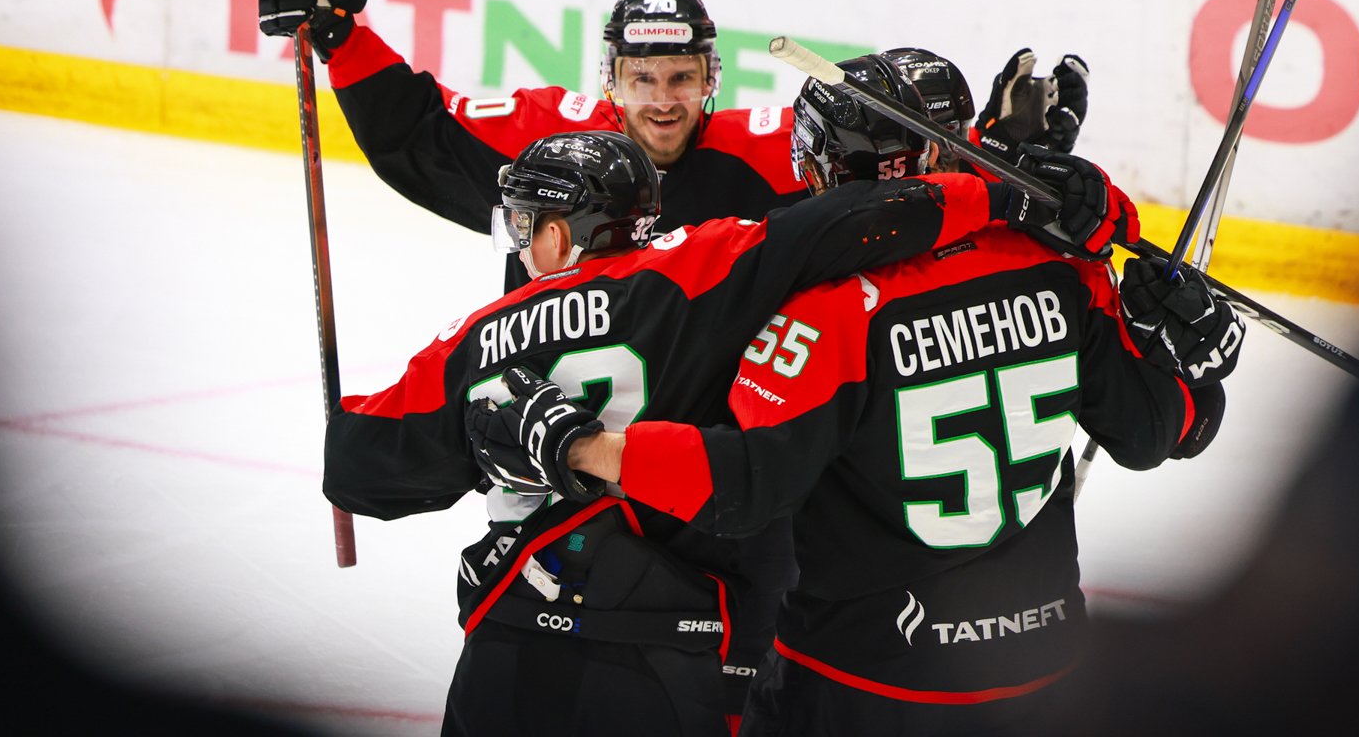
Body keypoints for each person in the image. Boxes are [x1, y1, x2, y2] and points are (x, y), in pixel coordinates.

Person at [474, 52, 1243, 735]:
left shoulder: (825, 313)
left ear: (826, 170)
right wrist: (1193, 358)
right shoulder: (1061, 268)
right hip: (1042, 670)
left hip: (865, 680)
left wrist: (582, 445)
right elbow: (1160, 430)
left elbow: (742, 490)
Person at [322, 115, 1129, 736]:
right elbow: (854, 222)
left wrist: (487, 444)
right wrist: (1006, 194)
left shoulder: (473, 341)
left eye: (524, 225)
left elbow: (360, 473)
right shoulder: (696, 271)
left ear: (557, 233)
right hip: (680, 649)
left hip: (510, 640)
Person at [253, 0, 1089, 294]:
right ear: (611, 79)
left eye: (681, 77)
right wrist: (339, 33)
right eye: (642, 78)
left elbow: (891, 166)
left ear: (709, 79)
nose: (661, 98)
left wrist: (994, 156)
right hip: (556, 435)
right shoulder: (549, 140)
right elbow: (417, 135)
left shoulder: (774, 149)